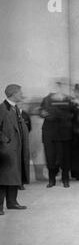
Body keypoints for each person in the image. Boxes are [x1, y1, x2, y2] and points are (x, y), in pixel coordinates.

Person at [0, 84, 29, 216]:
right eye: (20, 92)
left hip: (17, 150)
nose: (21, 94)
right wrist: (6, 141)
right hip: (7, 151)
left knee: (15, 176)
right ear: (13, 94)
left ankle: (12, 202)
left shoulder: (15, 108)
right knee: (4, 179)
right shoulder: (2, 109)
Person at [39, 82, 74, 188]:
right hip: (50, 134)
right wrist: (42, 113)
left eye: (60, 87)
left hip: (64, 133)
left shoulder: (67, 99)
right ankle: (51, 180)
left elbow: (72, 112)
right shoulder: (46, 99)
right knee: (50, 157)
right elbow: (41, 110)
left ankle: (65, 179)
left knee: (65, 158)